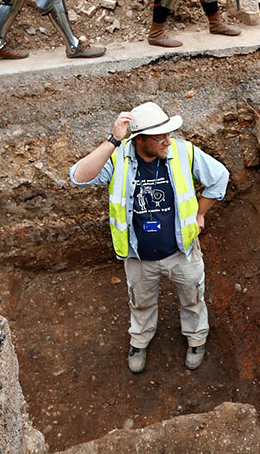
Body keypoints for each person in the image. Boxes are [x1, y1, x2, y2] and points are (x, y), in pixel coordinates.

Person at [69, 101, 229, 372]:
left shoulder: (183, 151)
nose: (168, 140)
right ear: (139, 139)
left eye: (169, 134)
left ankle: (196, 338)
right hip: (139, 255)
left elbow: (219, 177)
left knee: (193, 299)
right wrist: (113, 140)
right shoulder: (119, 158)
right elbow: (79, 177)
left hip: (183, 251)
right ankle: (140, 341)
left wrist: (200, 214)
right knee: (140, 303)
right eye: (160, 136)